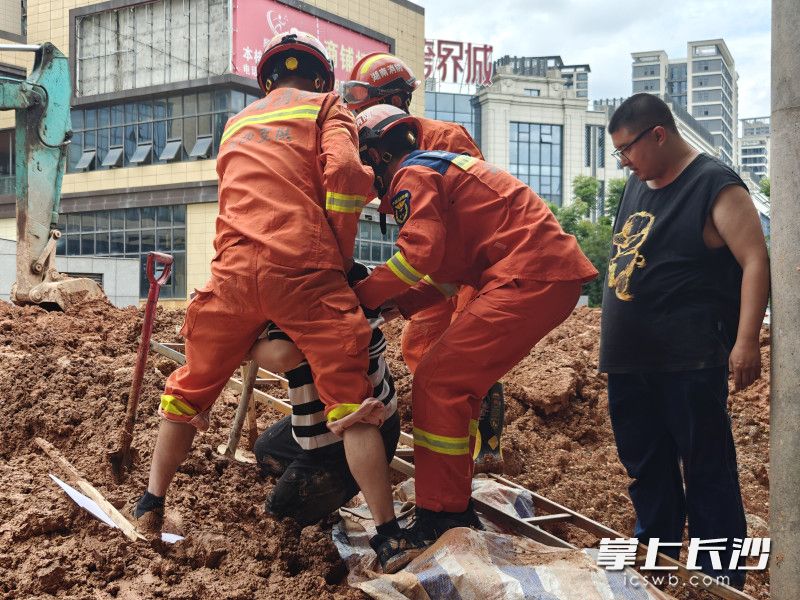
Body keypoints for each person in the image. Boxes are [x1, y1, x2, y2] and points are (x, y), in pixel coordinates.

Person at [129, 32, 399, 546]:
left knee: (187, 391)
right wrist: (339, 258)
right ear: (322, 79)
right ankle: (387, 538)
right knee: (351, 403)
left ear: (267, 82)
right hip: (303, 265)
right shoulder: (327, 105)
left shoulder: (237, 123)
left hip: (232, 271)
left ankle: (151, 503)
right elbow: (344, 174)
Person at [352, 104, 598, 564]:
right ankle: (449, 503)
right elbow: (445, 278)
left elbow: (417, 255)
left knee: (440, 382)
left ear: (376, 155)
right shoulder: (435, 171)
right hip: (536, 275)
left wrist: (362, 295)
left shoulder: (411, 175)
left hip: (528, 275)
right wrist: (391, 305)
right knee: (451, 384)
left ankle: (443, 515)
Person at [599, 93, 769, 589]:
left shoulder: (714, 184)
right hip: (630, 362)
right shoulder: (637, 185)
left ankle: (722, 583)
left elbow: (755, 260)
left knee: (707, 473)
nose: (624, 162)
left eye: (627, 149)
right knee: (646, 472)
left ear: (658, 134)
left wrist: (746, 340)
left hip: (690, 359)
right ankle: (657, 575)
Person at [341, 52, 505, 471]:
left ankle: (485, 450)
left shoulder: (445, 138)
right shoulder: (369, 147)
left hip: (469, 262)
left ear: (396, 100)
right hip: (432, 262)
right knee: (421, 345)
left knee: (468, 352)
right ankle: (450, 438)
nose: (361, 118)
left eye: (366, 106)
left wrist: (375, 293)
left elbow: (471, 210)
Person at [250, 261, 401, 529]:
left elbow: (284, 355)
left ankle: (355, 484)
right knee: (266, 450)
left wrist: (239, 343)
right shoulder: (354, 274)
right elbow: (394, 303)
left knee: (281, 514)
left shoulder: (291, 293)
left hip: (356, 430)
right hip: (354, 415)